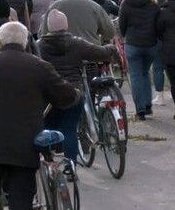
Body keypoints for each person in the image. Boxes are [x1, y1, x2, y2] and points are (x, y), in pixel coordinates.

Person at [0, 22, 80, 210]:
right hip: (25, 144)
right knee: (21, 197)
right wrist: (75, 93)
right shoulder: (39, 66)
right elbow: (65, 96)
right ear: (25, 42)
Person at [38, 9, 116, 162]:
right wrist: (111, 48)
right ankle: (71, 165)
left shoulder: (39, 46)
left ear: (48, 27)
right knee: (70, 128)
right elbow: (99, 52)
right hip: (73, 92)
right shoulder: (76, 43)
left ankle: (49, 163)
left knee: (48, 127)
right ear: (66, 26)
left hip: (49, 95)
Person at [118, 0, 160, 120]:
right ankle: (148, 105)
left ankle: (140, 109)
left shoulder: (126, 2)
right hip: (150, 43)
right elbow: (158, 23)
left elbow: (122, 24)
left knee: (135, 75)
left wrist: (125, 36)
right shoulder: (153, 3)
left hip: (133, 43)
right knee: (145, 73)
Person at [39, 0, 115, 46]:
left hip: (62, 52)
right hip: (91, 52)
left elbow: (42, 33)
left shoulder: (54, 7)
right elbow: (110, 32)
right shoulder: (95, 7)